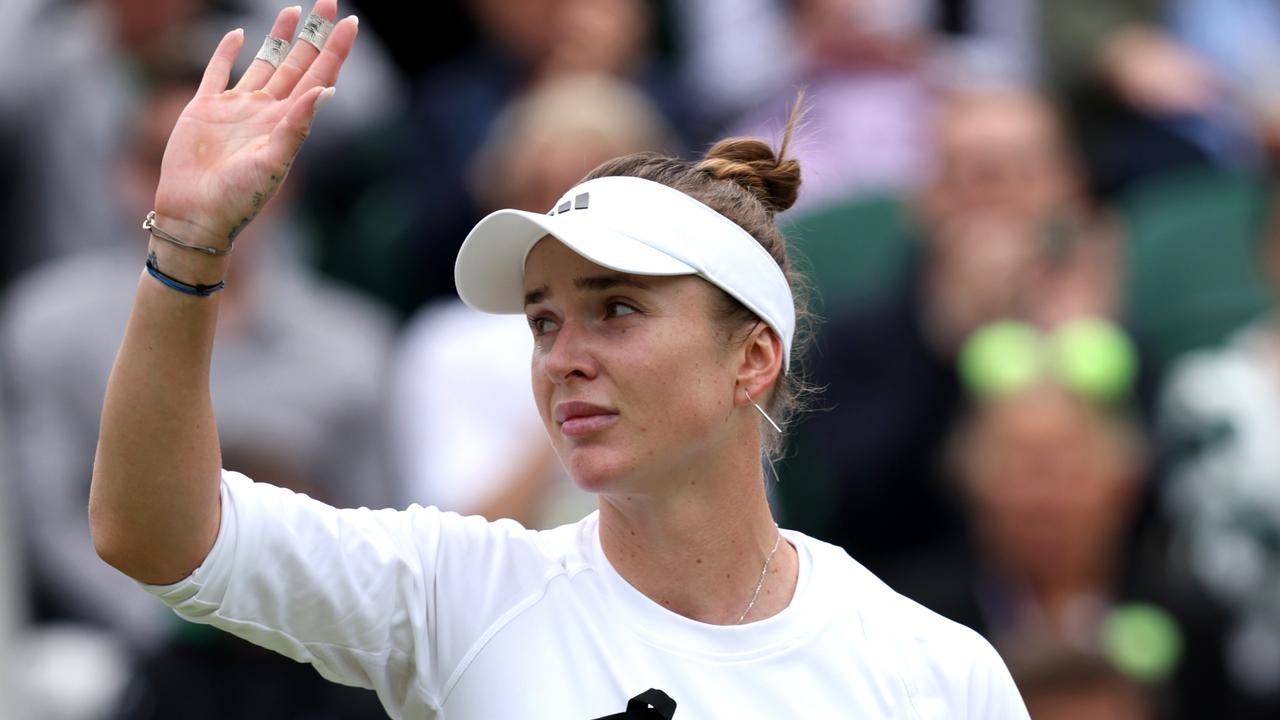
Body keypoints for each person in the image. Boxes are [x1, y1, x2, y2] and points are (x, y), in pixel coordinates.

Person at [89, 2, 1030, 716]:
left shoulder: (935, 673)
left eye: (615, 310)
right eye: (542, 322)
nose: (561, 358)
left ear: (752, 360)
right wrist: (187, 245)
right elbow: (158, 532)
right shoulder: (459, 589)